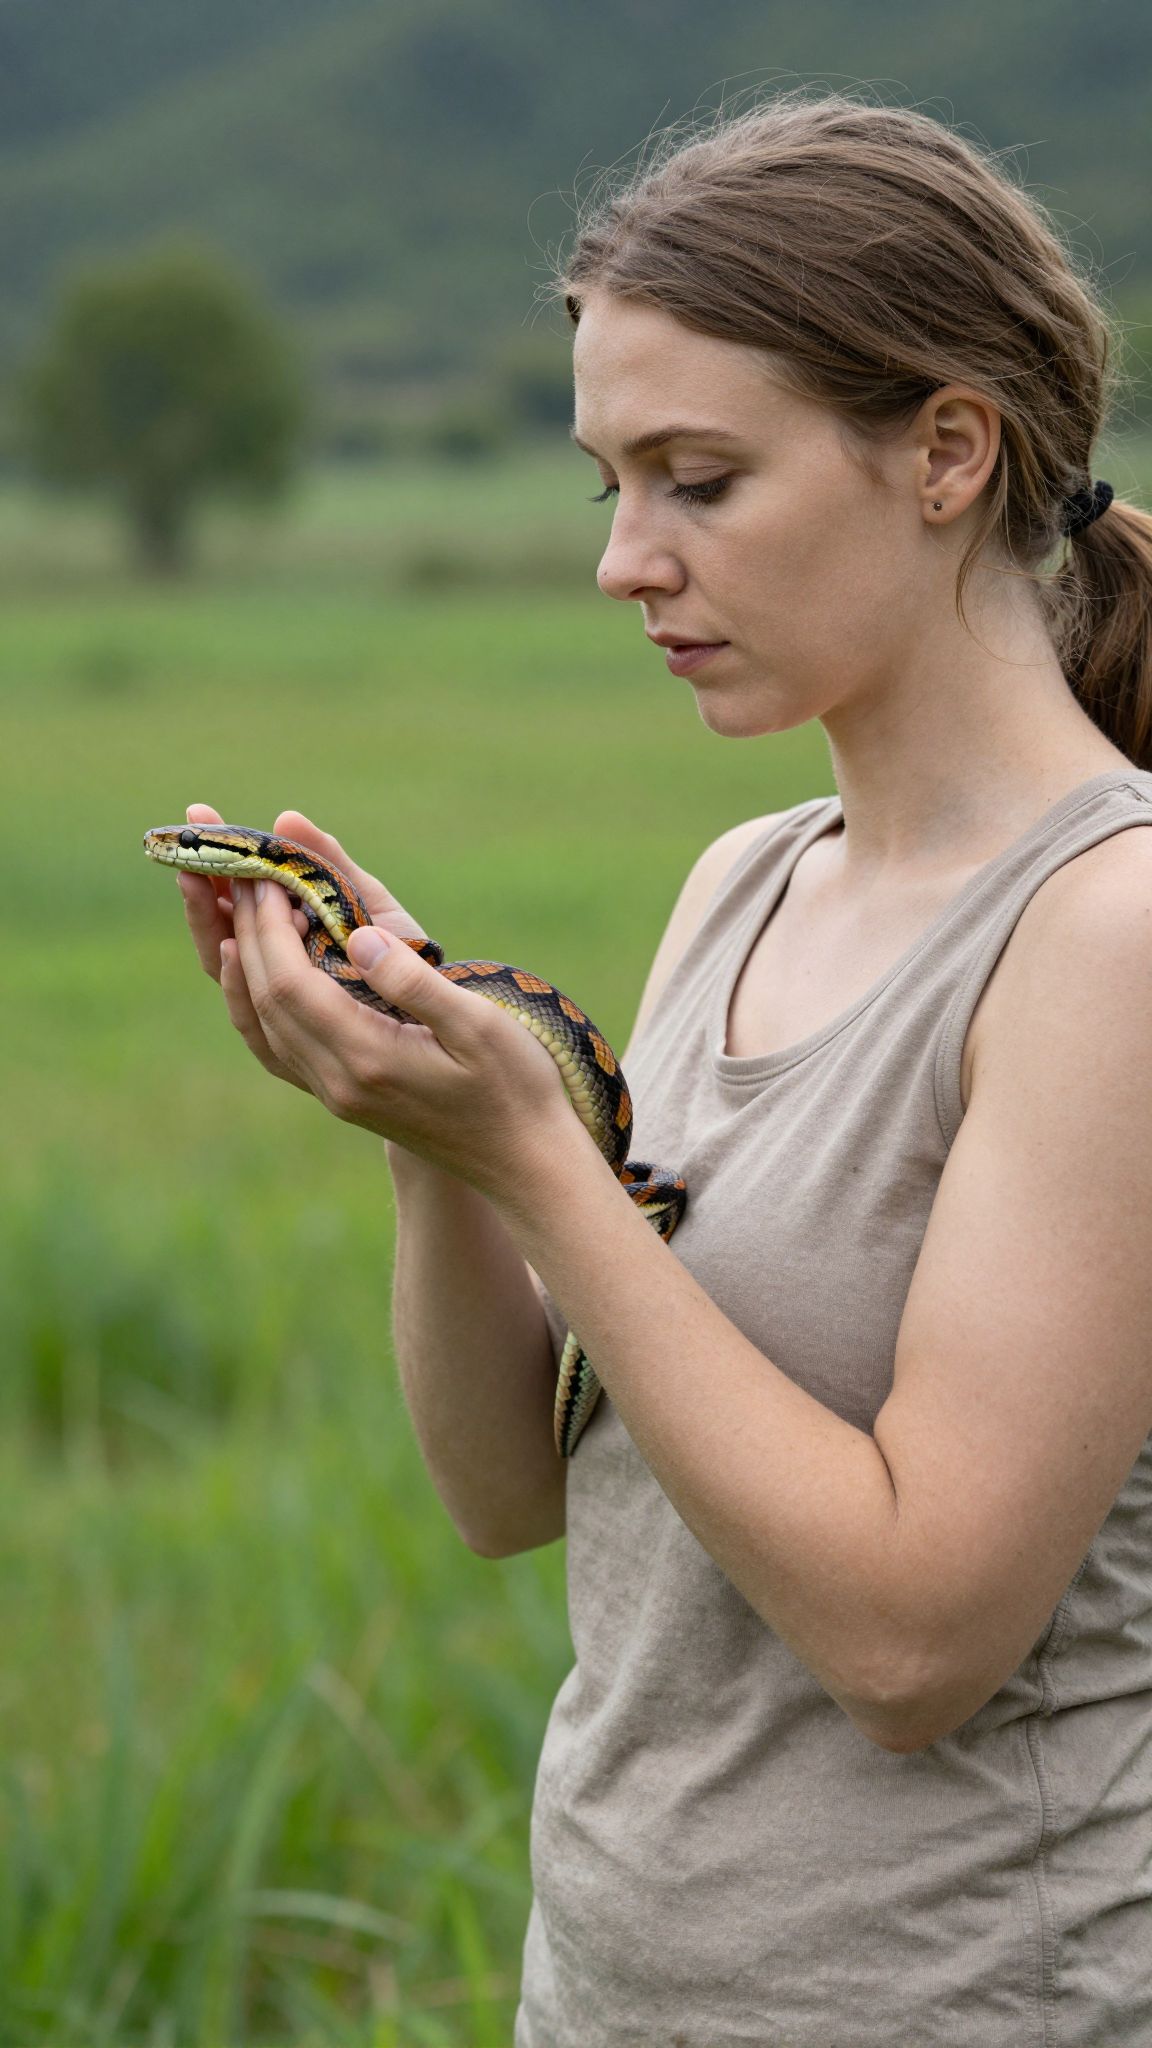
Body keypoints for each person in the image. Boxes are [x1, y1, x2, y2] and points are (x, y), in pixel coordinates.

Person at [176, 89, 1152, 2048]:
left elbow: (912, 1634)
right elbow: (509, 1493)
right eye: (606, 485)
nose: (627, 561)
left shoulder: (1109, 935)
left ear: (947, 450)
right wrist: (430, 1128)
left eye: (698, 481)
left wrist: (540, 1154)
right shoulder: (748, 879)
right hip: (619, 1992)